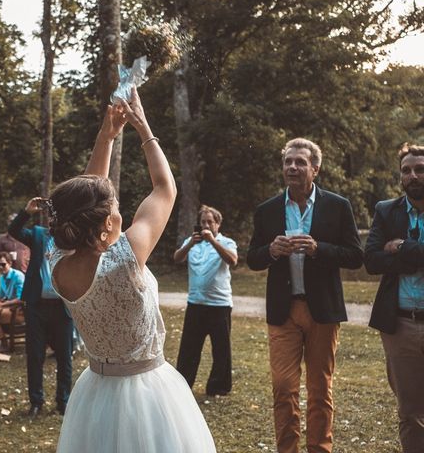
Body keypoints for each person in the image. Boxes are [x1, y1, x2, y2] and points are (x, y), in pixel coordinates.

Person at [48, 88, 216, 452]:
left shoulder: (56, 258)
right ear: (108, 224)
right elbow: (165, 188)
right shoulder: (124, 259)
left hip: (95, 393)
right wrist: (143, 127)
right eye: (115, 206)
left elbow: (87, 194)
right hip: (148, 394)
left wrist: (105, 136)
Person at [246, 138, 363, 453]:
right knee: (283, 388)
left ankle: (319, 449)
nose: (292, 167)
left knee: (319, 389)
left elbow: (355, 255)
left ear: (316, 169)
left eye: (300, 162)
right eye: (288, 162)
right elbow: (252, 258)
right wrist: (270, 250)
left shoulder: (338, 206)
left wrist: (318, 249)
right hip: (284, 311)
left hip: (322, 310)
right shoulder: (268, 209)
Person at [364, 143, 424, 452]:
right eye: (406, 170)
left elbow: (389, 255)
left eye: (419, 169)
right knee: (410, 412)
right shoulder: (386, 210)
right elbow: (372, 260)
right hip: (400, 325)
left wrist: (402, 248)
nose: (413, 176)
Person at [8, 198, 73, 419]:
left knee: (65, 356)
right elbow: (14, 230)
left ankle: (63, 402)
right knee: (34, 356)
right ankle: (36, 402)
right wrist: (26, 212)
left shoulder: (73, 239)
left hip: (62, 308)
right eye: (54, 216)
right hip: (36, 306)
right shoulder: (37, 234)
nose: (57, 219)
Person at [174, 205, 237, 396]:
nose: (206, 225)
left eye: (210, 221)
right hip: (196, 304)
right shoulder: (192, 241)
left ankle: (218, 387)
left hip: (219, 305)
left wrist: (213, 241)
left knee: (221, 349)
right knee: (189, 348)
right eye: (203, 222)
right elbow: (177, 258)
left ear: (218, 223)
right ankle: (183, 384)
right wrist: (190, 244)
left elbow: (232, 260)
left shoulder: (226, 242)